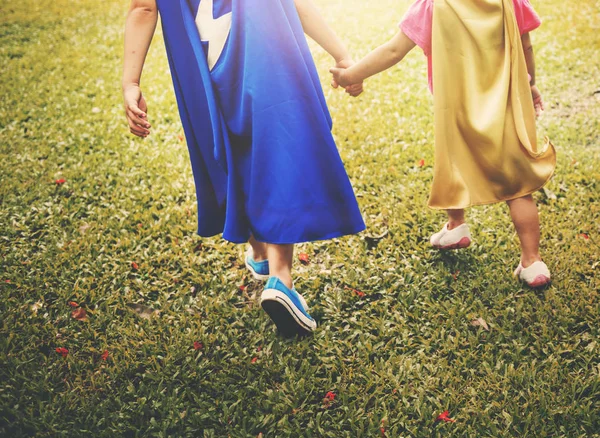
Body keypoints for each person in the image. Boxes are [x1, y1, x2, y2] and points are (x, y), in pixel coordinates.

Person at [122, 0, 366, 336]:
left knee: (229, 148)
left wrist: (130, 83)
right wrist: (341, 55)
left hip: (202, 58)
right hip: (265, 45)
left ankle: (257, 248)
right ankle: (280, 277)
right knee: (277, 148)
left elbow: (144, 8)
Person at [330, 0, 556, 288]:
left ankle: (456, 224)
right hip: (506, 104)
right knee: (518, 187)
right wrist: (531, 84)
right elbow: (526, 45)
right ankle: (532, 261)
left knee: (454, 162)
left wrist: (351, 75)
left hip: (457, 108)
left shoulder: (433, 5)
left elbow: (394, 50)